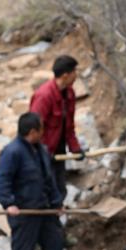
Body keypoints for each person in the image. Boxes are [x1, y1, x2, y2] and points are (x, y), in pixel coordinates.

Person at [0, 112, 75, 250]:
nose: (43, 132)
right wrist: (9, 203)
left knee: (55, 246)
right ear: (32, 132)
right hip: (24, 213)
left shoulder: (41, 150)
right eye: (41, 129)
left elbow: (49, 179)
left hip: (45, 210)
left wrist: (57, 202)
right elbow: (1, 180)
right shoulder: (12, 152)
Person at [28, 54, 85, 201]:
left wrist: (75, 148)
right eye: (74, 71)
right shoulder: (44, 96)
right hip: (42, 153)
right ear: (66, 75)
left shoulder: (69, 94)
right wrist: (40, 152)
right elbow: (32, 129)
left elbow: (69, 125)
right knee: (44, 190)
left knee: (59, 188)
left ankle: (58, 212)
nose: (76, 75)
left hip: (58, 150)